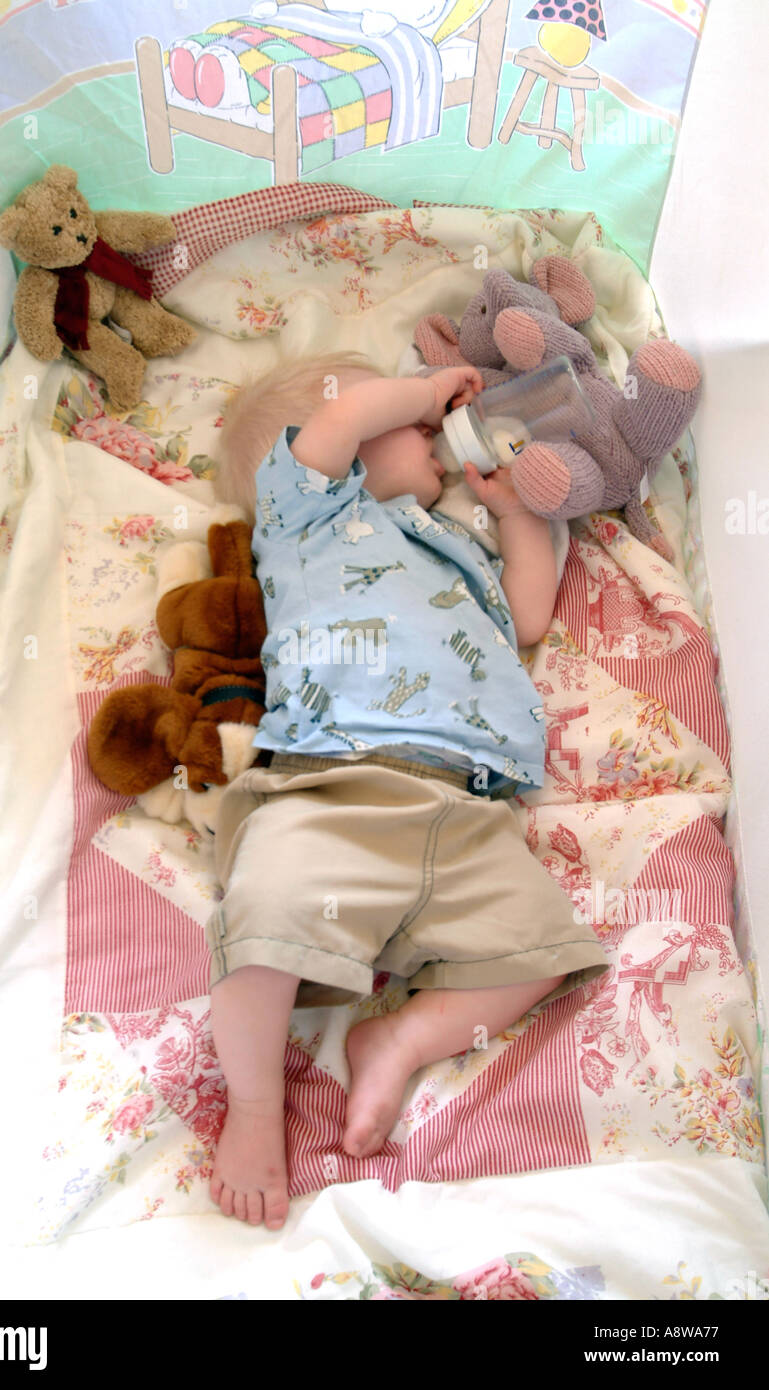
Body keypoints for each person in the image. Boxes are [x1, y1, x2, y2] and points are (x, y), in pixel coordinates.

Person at [205, 357, 609, 1231]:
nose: (432, 428)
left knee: (544, 952)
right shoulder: (310, 517)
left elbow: (528, 616)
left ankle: (400, 1039)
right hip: (336, 788)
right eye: (412, 419)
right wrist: (424, 391)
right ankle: (251, 1105)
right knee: (263, 923)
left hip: (468, 816)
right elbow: (345, 415)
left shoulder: (451, 544)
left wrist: (511, 516)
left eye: (424, 416)